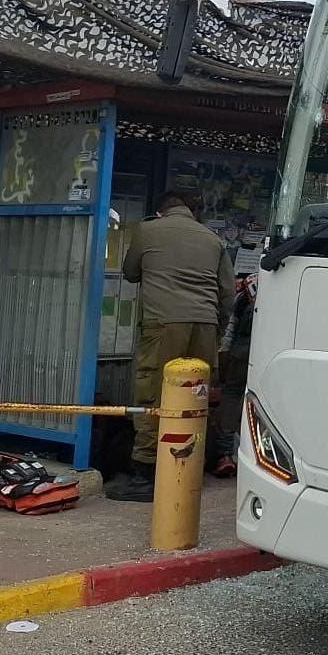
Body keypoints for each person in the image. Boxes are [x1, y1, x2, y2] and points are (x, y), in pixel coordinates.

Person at [105, 189, 235, 503]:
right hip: (205, 326)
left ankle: (145, 475)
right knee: (195, 398)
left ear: (161, 211)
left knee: (154, 394)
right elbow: (228, 294)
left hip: (164, 324)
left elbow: (130, 272)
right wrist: (215, 330)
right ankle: (187, 469)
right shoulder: (212, 239)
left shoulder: (148, 230)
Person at [209, 271, 254, 478]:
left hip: (240, 351)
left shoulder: (246, 289)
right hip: (271, 350)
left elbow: (231, 325)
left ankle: (225, 455)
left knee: (231, 396)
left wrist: (224, 353)